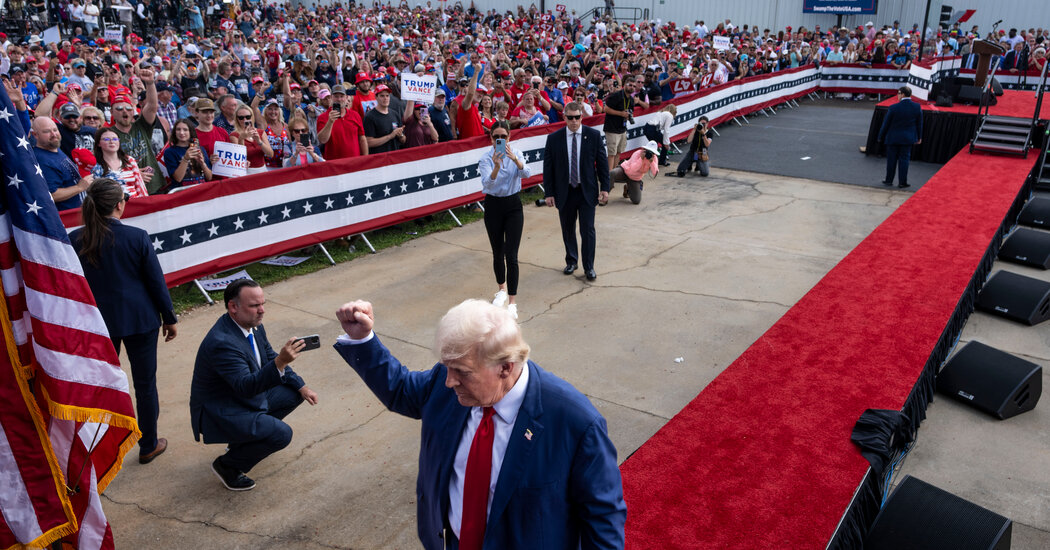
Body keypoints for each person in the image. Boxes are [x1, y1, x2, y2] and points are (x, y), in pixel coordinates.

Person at [332, 299, 626, 550]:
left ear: (505, 367)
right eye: (447, 368)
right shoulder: (448, 382)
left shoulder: (575, 422)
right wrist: (362, 340)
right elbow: (400, 390)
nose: (449, 381)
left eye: (462, 372)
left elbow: (602, 517)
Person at [70, 178, 177, 465]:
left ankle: (98, 449)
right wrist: (169, 318)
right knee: (145, 384)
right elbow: (156, 282)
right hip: (140, 319)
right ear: (120, 204)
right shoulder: (137, 236)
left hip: (97, 323)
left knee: (101, 386)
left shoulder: (76, 239)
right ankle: (149, 443)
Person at [189, 279, 319, 491]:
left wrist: (301, 386)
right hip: (223, 409)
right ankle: (227, 466)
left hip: (242, 397)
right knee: (281, 434)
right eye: (254, 306)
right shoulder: (222, 343)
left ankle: (244, 443)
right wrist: (281, 362)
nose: (262, 311)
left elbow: (268, 357)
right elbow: (246, 386)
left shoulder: (252, 326)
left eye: (263, 303)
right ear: (233, 307)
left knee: (293, 392)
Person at [543, 102, 610, 282]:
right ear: (564, 117)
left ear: (582, 117)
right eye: (570, 117)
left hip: (586, 191)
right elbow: (548, 168)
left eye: (577, 117)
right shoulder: (554, 138)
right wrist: (548, 193)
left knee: (588, 230)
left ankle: (589, 267)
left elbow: (602, 164)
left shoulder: (594, 136)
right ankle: (571, 261)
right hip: (564, 192)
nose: (574, 121)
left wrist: (605, 187)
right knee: (568, 229)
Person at [477, 121, 530, 319]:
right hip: (493, 205)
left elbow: (527, 173)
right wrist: (496, 167)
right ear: (490, 138)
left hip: (513, 205)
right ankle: (501, 289)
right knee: (497, 251)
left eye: (503, 137)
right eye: (496, 137)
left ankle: (513, 301)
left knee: (512, 254)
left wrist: (515, 160)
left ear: (509, 137)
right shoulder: (485, 158)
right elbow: (486, 185)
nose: (500, 140)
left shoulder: (516, 153)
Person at [33, 116, 94, 211]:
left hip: (79, 211)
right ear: (35, 135)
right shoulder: (41, 159)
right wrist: (79, 187)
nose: (54, 134)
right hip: (67, 218)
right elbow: (52, 195)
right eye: (47, 132)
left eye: (55, 130)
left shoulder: (55, 148)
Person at [878, 86, 922, 189]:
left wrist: (881, 136)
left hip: (893, 138)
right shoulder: (916, 107)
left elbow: (886, 124)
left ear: (902, 94)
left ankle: (889, 180)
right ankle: (902, 182)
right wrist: (919, 137)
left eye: (898, 93)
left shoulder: (894, 107)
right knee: (904, 160)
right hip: (908, 138)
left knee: (891, 160)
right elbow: (919, 124)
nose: (897, 95)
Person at [91, 128, 149, 197]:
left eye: (115, 139)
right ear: (98, 143)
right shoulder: (95, 165)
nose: (112, 142)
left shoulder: (129, 160)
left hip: (135, 203)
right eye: (106, 139)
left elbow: (140, 186)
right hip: (111, 205)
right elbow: (96, 193)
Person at [317, 85, 368, 160]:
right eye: (336, 96)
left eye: (342, 96)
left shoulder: (355, 115)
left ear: (347, 97)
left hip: (355, 162)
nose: (339, 99)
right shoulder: (322, 117)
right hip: (334, 165)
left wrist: (366, 158)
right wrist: (330, 122)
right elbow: (322, 140)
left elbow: (362, 138)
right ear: (331, 97)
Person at [161, 119, 213, 190]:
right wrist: (185, 159)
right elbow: (178, 178)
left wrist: (202, 163)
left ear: (190, 132)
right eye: (178, 129)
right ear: (174, 132)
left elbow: (209, 177)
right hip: (182, 193)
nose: (181, 133)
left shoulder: (201, 149)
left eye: (185, 130)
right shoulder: (170, 152)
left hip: (201, 191)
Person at [228, 104, 273, 175]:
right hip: (246, 172)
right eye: (241, 118)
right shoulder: (234, 135)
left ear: (252, 117)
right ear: (237, 119)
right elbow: (239, 158)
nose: (245, 120)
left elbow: (270, 154)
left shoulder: (261, 132)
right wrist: (241, 138)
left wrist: (259, 141)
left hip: (262, 169)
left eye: (248, 117)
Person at [602, 77, 635, 171]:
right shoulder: (616, 95)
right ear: (624, 85)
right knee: (612, 153)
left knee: (618, 152)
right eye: (630, 85)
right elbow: (606, 109)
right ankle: (609, 176)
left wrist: (628, 116)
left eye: (634, 86)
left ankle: (614, 173)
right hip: (612, 128)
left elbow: (631, 111)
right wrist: (621, 113)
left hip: (622, 129)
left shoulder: (631, 100)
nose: (632, 87)